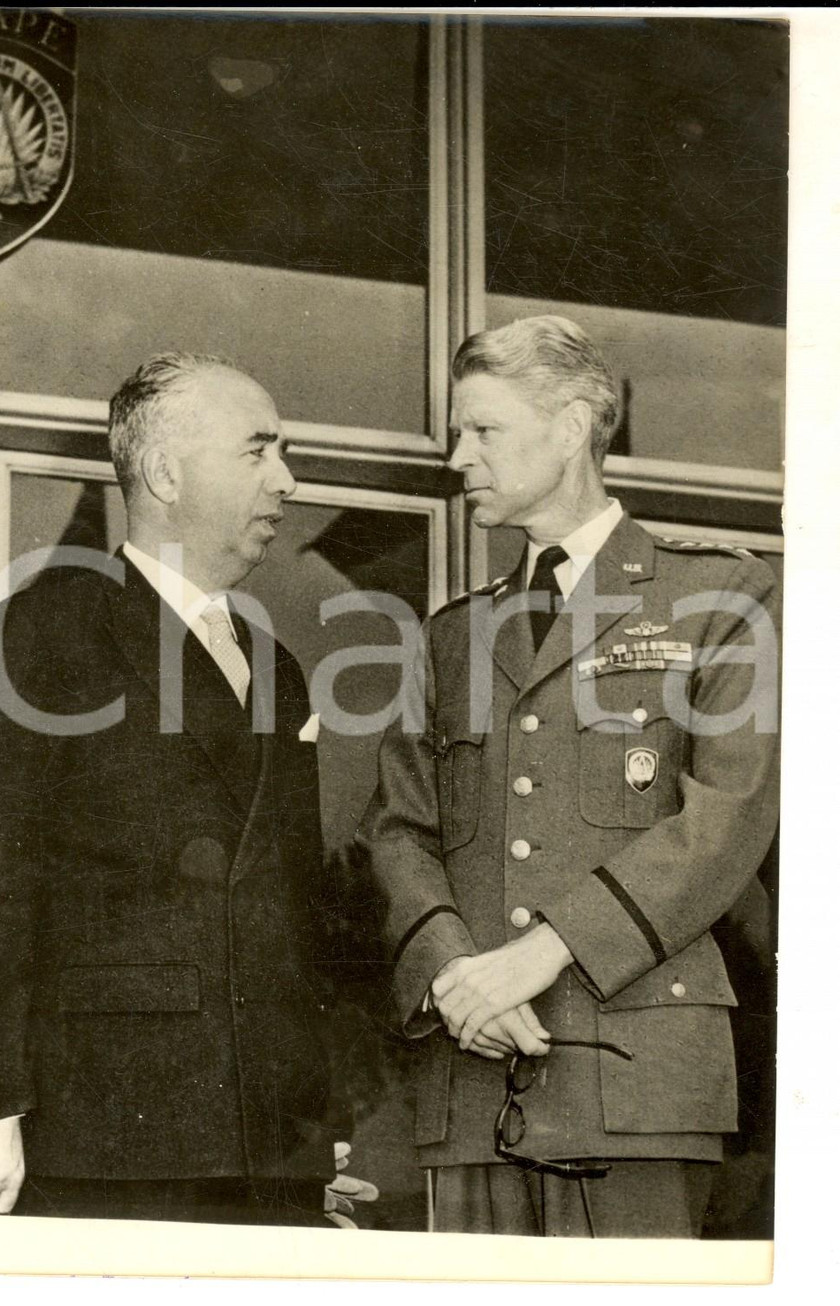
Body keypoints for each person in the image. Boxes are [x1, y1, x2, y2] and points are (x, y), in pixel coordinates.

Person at [0, 352, 373, 1226]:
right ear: (164, 472)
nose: (287, 480)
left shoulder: (276, 666)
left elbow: (297, 911)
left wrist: (319, 1116)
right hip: (103, 1133)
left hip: (269, 1142)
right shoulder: (44, 632)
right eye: (258, 451)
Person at [358, 316, 780, 1237]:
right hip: (474, 1083)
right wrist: (452, 976)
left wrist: (538, 956)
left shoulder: (721, 599)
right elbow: (398, 828)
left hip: (636, 1084)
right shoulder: (453, 634)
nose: (459, 457)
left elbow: (725, 821)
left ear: (574, 425)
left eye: (484, 429)